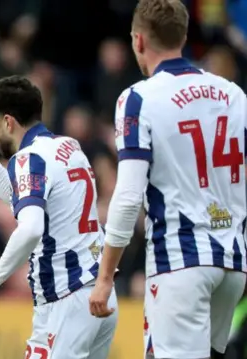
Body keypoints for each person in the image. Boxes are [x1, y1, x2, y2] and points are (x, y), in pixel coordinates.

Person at [89, 1, 247, 358]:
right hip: (233, 265)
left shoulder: (138, 99)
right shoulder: (234, 95)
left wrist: (104, 279)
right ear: (184, 34)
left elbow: (128, 196)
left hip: (181, 262)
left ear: (138, 40)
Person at [0, 75, 117, 359]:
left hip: (66, 299)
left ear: (8, 122)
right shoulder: (69, 147)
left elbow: (30, 229)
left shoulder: (29, 158)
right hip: (97, 294)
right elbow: (16, 196)